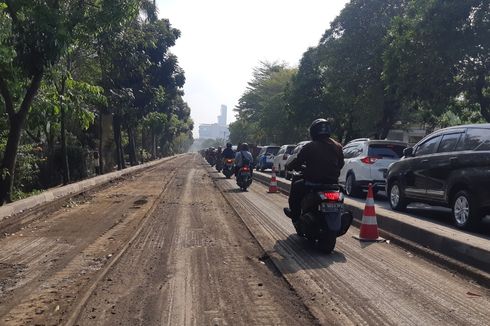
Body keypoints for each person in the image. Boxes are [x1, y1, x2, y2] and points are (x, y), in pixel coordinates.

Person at [284, 118, 344, 221]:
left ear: (313, 132)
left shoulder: (310, 146)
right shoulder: (337, 146)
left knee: (296, 186)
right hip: (332, 184)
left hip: (313, 182)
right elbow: (341, 164)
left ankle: (295, 214)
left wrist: (289, 166)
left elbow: (298, 162)